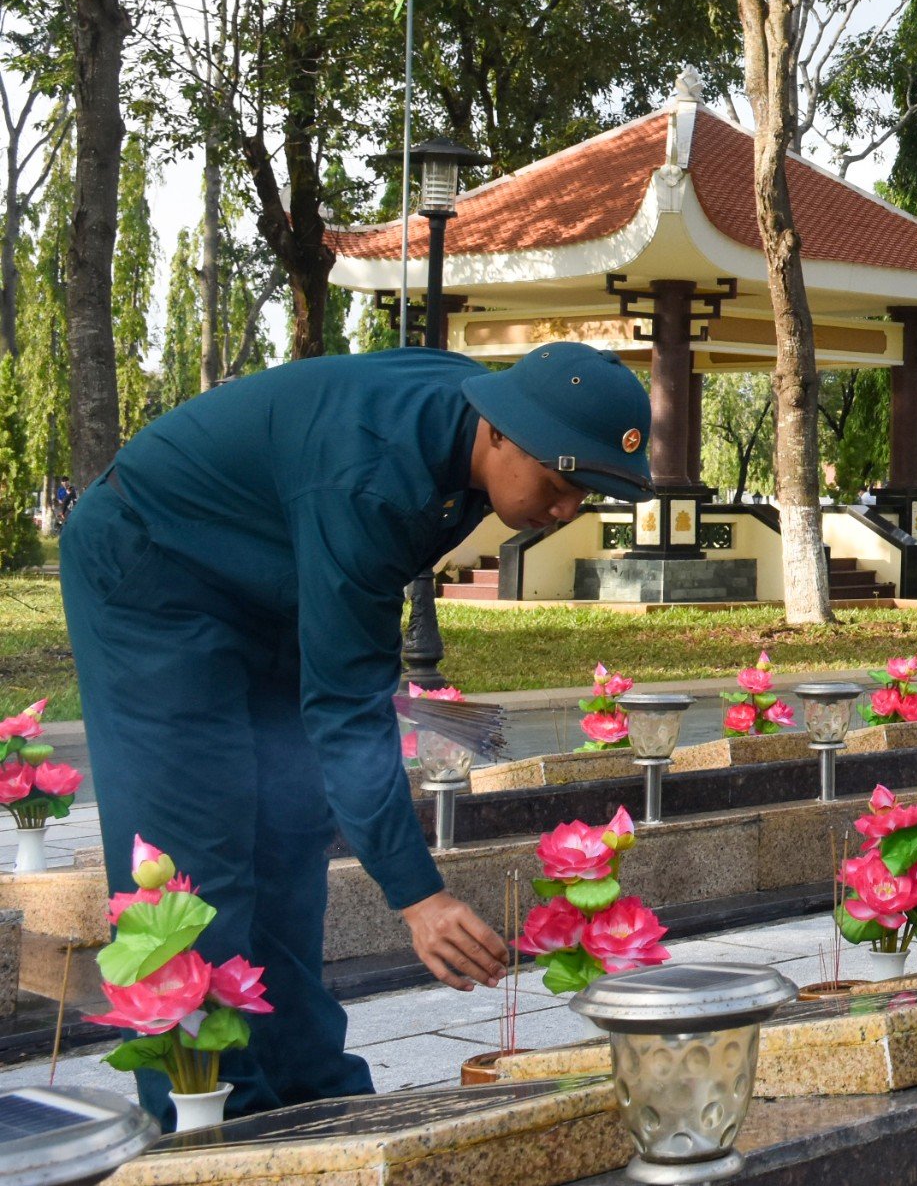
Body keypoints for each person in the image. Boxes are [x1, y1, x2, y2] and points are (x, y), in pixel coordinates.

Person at [61, 341, 653, 1123]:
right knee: (196, 862)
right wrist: (419, 897)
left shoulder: (474, 431)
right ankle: (213, 1124)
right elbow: (346, 708)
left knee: (288, 836)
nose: (567, 509)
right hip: (152, 572)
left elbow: (347, 659)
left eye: (587, 493)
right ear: (503, 431)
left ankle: (310, 1091)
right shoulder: (375, 472)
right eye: (559, 481)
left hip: (267, 583)